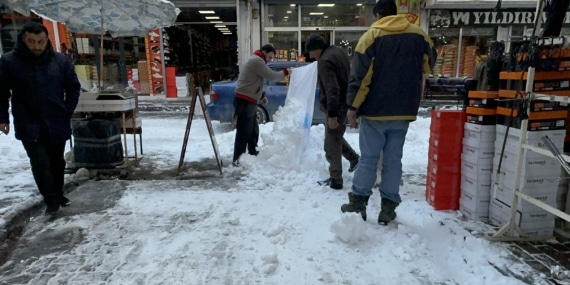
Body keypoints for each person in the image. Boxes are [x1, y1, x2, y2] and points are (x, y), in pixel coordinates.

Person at [340, 0, 436, 224]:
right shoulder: (419, 35)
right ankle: (388, 208)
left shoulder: (371, 37)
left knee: (369, 159)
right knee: (394, 160)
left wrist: (352, 106)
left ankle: (358, 204)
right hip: (404, 109)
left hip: (375, 110)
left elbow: (360, 77)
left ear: (377, 16)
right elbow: (429, 63)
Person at [0, 22, 81, 215]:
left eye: (40, 41)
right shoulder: (9, 61)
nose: (36, 46)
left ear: (47, 41)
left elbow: (73, 87)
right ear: (23, 40)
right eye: (32, 41)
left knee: (57, 162)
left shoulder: (60, 61)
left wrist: (66, 109)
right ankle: (51, 200)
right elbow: (1, 92)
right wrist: (3, 118)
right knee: (39, 162)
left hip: (56, 120)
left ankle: (58, 193)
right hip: (28, 122)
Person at [305, 34, 360, 190]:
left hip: (337, 106)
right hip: (346, 101)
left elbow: (332, 88)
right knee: (335, 136)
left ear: (317, 49)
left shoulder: (324, 61)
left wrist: (332, 114)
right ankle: (354, 159)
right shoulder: (338, 51)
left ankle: (336, 179)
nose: (310, 56)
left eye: (310, 52)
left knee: (331, 144)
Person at [232, 44, 289, 166]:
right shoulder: (257, 60)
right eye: (269, 57)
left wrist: (261, 96)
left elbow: (255, 81)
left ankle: (252, 151)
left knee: (253, 129)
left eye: (272, 58)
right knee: (243, 131)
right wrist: (285, 72)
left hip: (249, 99)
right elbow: (271, 75)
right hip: (244, 100)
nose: (270, 60)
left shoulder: (257, 60)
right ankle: (237, 159)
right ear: (263, 52)